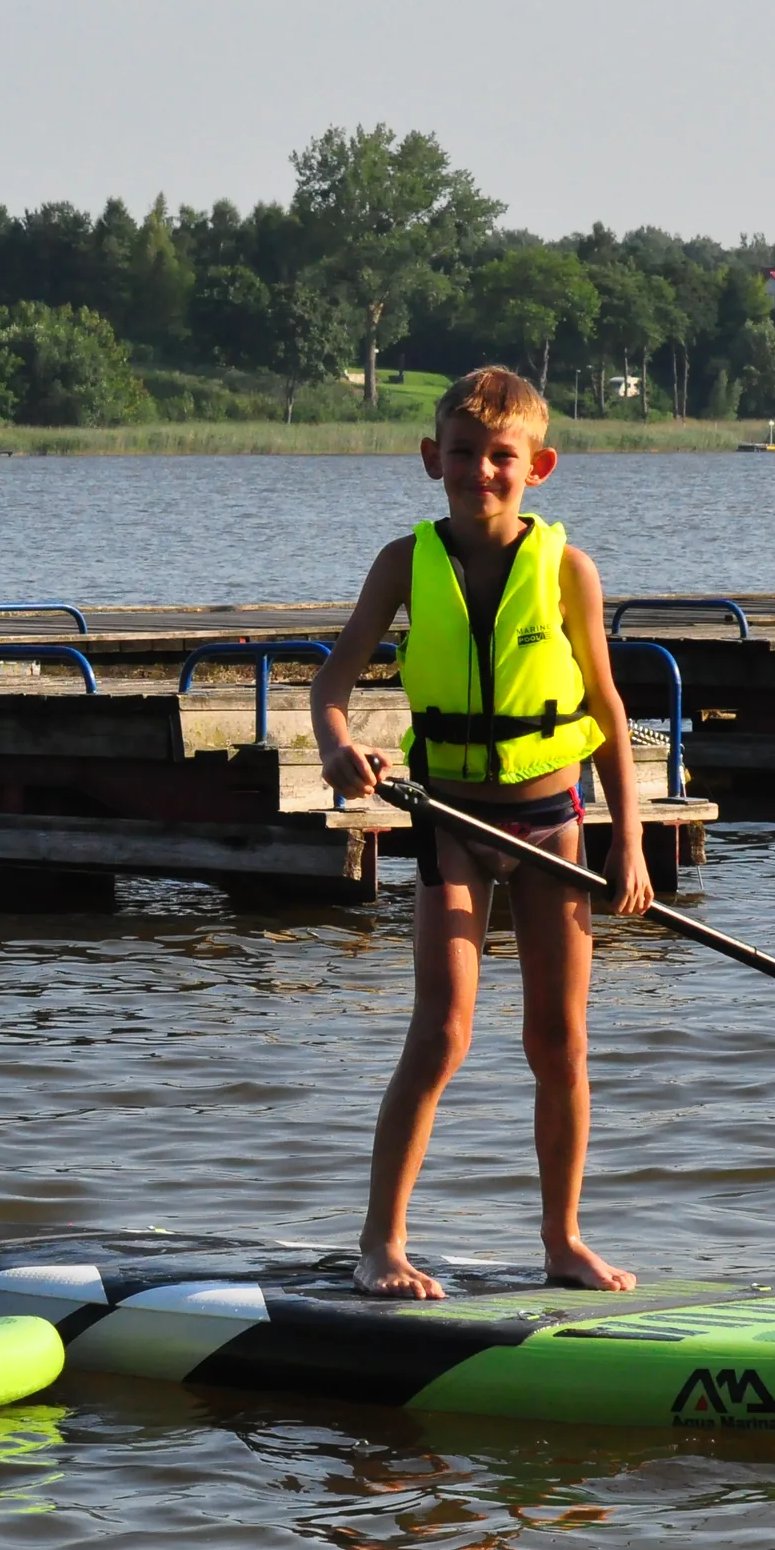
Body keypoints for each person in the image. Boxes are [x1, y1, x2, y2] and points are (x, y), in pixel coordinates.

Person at [308, 366, 653, 1301]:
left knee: (560, 1042)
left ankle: (563, 1240)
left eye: (502, 457)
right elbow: (330, 686)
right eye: (463, 455)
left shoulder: (569, 570)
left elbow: (612, 714)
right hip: (452, 823)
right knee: (442, 1032)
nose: (482, 473)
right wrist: (339, 749)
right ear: (433, 460)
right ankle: (382, 1244)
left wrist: (630, 841)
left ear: (537, 466)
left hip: (551, 824)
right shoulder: (402, 561)